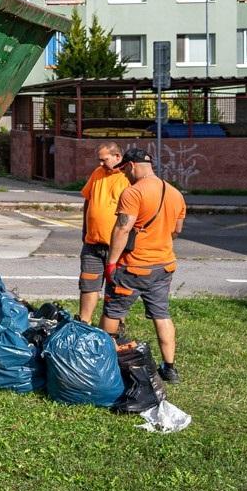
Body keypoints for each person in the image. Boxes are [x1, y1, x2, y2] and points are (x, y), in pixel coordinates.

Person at [100, 145, 187, 382]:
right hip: (164, 266)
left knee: (113, 310)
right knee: (162, 315)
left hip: (133, 267)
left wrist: (111, 263)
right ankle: (169, 368)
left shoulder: (133, 193)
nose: (125, 175)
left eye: (125, 170)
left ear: (131, 166)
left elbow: (122, 228)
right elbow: (176, 230)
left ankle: (101, 360)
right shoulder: (175, 193)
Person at [77, 142, 130, 320]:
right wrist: (85, 231)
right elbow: (88, 200)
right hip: (92, 243)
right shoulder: (98, 173)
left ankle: (114, 329)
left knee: (116, 288)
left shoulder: (128, 177)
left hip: (116, 246)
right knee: (88, 284)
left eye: (104, 160)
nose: (100, 164)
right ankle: (84, 323)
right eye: (99, 160)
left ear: (117, 157)